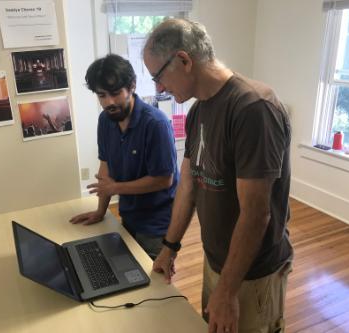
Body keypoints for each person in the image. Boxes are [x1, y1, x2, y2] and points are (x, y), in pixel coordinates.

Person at [143, 18, 293, 333]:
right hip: (219, 264)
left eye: (158, 76)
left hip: (252, 274)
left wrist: (227, 291)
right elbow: (188, 185)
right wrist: (169, 246)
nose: (158, 88)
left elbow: (256, 213)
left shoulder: (253, 108)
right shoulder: (199, 111)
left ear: (184, 60)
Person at [69, 54, 178, 260]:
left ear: (132, 86)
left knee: (155, 283)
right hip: (128, 215)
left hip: (157, 224)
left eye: (116, 93)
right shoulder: (105, 120)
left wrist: (116, 188)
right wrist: (101, 211)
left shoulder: (156, 124)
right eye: (102, 95)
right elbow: (106, 167)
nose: (109, 102)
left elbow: (164, 179)